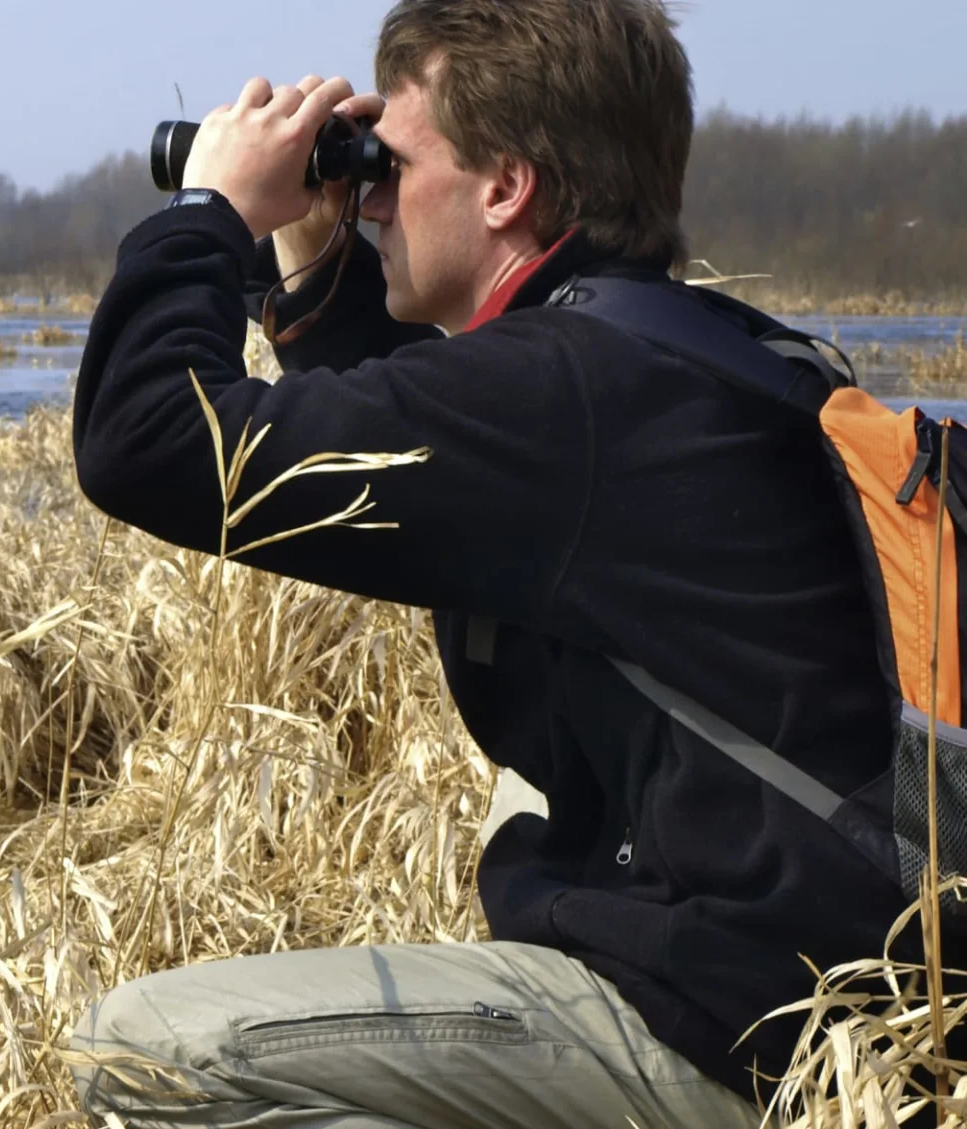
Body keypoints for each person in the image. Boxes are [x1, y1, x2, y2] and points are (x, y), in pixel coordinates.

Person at [66, 1, 921, 1126]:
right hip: (838, 999)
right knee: (524, 803)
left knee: (147, 1052)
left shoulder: (562, 395)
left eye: (389, 163)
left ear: (507, 187)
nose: (369, 192)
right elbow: (439, 461)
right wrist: (317, 254)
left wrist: (210, 207)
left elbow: (150, 440)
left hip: (746, 1039)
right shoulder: (680, 350)